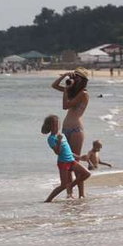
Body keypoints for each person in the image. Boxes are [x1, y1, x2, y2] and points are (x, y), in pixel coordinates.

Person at [52, 67, 90, 197]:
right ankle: (70, 194)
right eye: (74, 76)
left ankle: (81, 194)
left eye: (77, 77)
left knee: (75, 162)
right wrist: (65, 77)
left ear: (83, 80)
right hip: (66, 129)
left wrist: (67, 89)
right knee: (67, 160)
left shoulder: (83, 93)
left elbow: (65, 105)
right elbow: (54, 85)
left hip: (76, 130)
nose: (75, 79)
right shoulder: (72, 91)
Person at [41, 114, 91, 202]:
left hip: (71, 160)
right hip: (63, 163)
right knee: (63, 185)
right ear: (50, 126)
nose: (57, 126)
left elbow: (69, 151)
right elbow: (58, 152)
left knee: (87, 174)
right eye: (55, 125)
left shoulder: (62, 135)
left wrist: (79, 157)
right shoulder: (51, 138)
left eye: (58, 124)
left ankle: (71, 186)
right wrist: (59, 141)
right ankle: (48, 200)